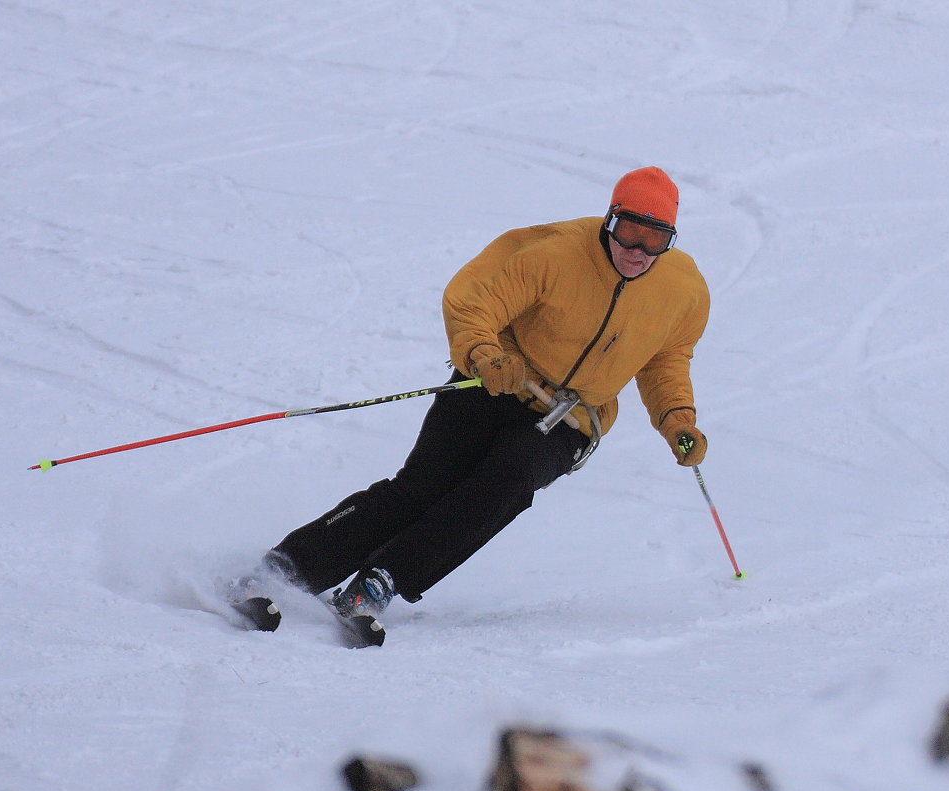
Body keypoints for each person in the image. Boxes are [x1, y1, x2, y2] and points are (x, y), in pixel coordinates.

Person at [254, 166, 711, 624]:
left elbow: (665, 360)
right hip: (495, 380)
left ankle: (381, 580)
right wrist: (485, 354)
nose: (637, 251)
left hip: (570, 420)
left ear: (670, 240)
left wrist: (676, 419)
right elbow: (474, 300)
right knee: (421, 487)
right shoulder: (552, 253)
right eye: (628, 232)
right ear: (608, 220)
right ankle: (284, 570)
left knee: (503, 483)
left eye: (654, 241)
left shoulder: (683, 291)